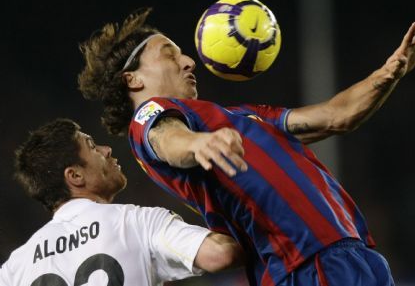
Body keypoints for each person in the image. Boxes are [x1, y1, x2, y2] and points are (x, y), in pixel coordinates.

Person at [77, 8, 415, 286]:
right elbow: (168, 140)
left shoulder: (242, 117)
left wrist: (388, 74)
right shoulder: (148, 119)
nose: (189, 61)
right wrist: (199, 143)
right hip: (302, 265)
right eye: (170, 54)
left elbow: (337, 116)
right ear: (132, 78)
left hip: (355, 254)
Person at [0, 118, 242, 286]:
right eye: (92, 146)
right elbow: (219, 253)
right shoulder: (134, 222)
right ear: (75, 176)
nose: (106, 150)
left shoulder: (14, 268)